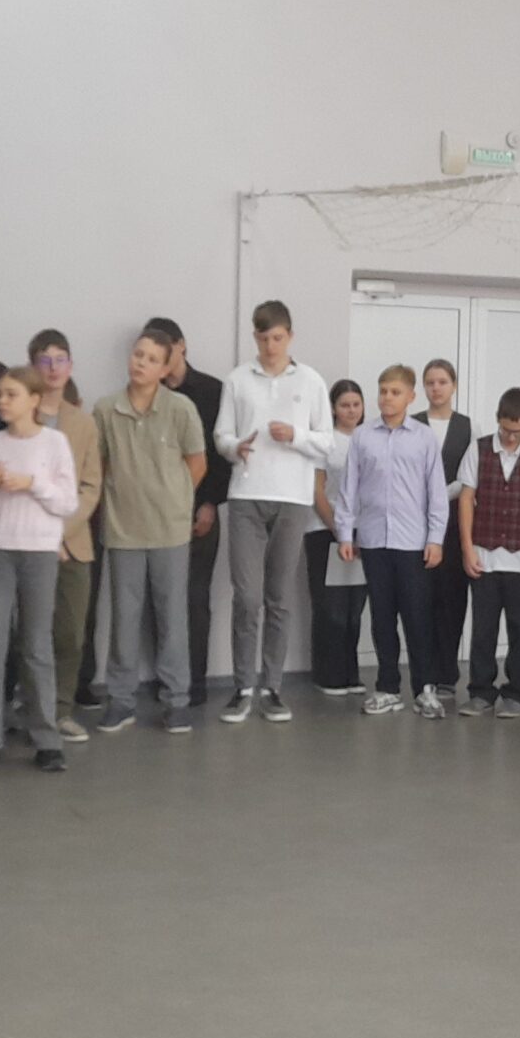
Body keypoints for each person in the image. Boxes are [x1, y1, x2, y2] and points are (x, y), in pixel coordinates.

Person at [214, 301, 330, 723]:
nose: (270, 346)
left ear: (290, 336)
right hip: (246, 495)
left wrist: (295, 435)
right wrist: (234, 447)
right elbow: (221, 435)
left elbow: (327, 442)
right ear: (255, 337)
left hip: (293, 498)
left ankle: (273, 687)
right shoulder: (237, 379)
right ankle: (243, 687)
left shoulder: (311, 381)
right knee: (247, 597)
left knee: (278, 597)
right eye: (263, 338)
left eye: (277, 338)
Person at [0, 366, 81, 772]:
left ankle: (46, 739)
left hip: (40, 551)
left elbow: (67, 503)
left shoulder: (55, 442)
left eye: (11, 394)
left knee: (36, 646)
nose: (2, 401)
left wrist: (31, 483)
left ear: (34, 399)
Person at [97, 328, 207, 734]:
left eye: (151, 359)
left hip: (170, 532)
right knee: (123, 620)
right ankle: (121, 700)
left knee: (172, 618)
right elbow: (100, 466)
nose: (141, 363)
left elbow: (197, 463)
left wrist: (174, 501)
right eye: (137, 354)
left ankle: (176, 701)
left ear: (164, 368)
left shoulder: (180, 409)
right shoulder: (105, 409)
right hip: (123, 530)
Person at [334, 364, 449, 718]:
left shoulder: (424, 438)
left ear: (411, 396)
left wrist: (436, 538)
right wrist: (345, 533)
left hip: (413, 542)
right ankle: (387, 688)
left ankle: (425, 689)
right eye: (383, 391)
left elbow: (436, 492)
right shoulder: (363, 436)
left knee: (417, 617)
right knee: (382, 618)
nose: (387, 398)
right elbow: (349, 488)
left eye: (395, 392)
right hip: (373, 541)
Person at [21, 332, 102, 743]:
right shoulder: (19, 415)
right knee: (28, 633)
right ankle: (31, 710)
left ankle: (61, 711)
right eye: (44, 360)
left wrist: (60, 530)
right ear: (32, 367)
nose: (53, 369)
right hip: (24, 539)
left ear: (70, 366)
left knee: (70, 633)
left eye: (60, 360)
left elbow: (90, 486)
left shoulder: (83, 422)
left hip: (72, 543)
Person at [143, 317, 227, 708]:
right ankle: (166, 681)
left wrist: (209, 502)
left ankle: (194, 683)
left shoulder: (212, 390)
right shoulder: (147, 393)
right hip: (154, 512)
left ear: (181, 346)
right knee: (159, 599)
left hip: (199, 508)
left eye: (164, 348)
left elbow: (219, 455)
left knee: (194, 598)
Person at [456, 387, 520, 718]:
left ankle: (517, 692)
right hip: (485, 555)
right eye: (505, 429)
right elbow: (466, 499)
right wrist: (467, 548)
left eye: (517, 431)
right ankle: (480, 691)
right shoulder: (478, 449)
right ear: (498, 420)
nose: (510, 437)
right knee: (483, 629)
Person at [307, 381, 371, 703]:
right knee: (330, 607)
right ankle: (327, 675)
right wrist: (338, 528)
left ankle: (350, 672)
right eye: (345, 405)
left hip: (362, 533)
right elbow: (316, 490)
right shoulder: (325, 442)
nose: (351, 410)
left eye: (356, 404)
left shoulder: (368, 439)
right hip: (325, 530)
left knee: (353, 608)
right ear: (333, 408)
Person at [416, 359, 473, 706]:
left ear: (453, 386)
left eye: (442, 382)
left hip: (453, 525)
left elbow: (469, 476)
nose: (436, 388)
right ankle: (424, 672)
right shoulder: (412, 424)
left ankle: (447, 674)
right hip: (415, 524)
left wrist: (440, 495)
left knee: (452, 599)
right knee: (421, 601)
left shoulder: (467, 426)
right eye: (430, 382)